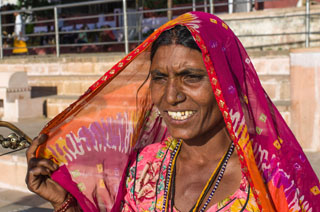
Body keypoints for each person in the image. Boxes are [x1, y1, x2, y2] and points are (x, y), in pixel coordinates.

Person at [26, 12, 319, 212]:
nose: (170, 97)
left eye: (191, 76)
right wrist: (63, 202)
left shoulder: (273, 181)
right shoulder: (142, 167)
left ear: (226, 84)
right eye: (159, 78)